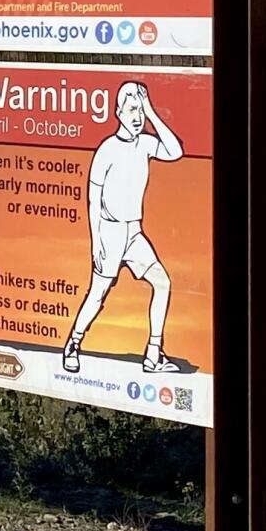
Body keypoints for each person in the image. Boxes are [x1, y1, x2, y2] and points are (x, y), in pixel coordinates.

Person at [63, 78, 190, 375]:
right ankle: (73, 343)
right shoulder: (107, 150)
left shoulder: (145, 144)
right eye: (131, 109)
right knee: (98, 294)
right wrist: (97, 242)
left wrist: (151, 112)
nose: (136, 117)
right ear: (118, 112)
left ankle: (154, 354)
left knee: (162, 282)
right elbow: (93, 199)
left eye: (139, 111)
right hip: (110, 232)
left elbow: (175, 151)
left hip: (134, 233)